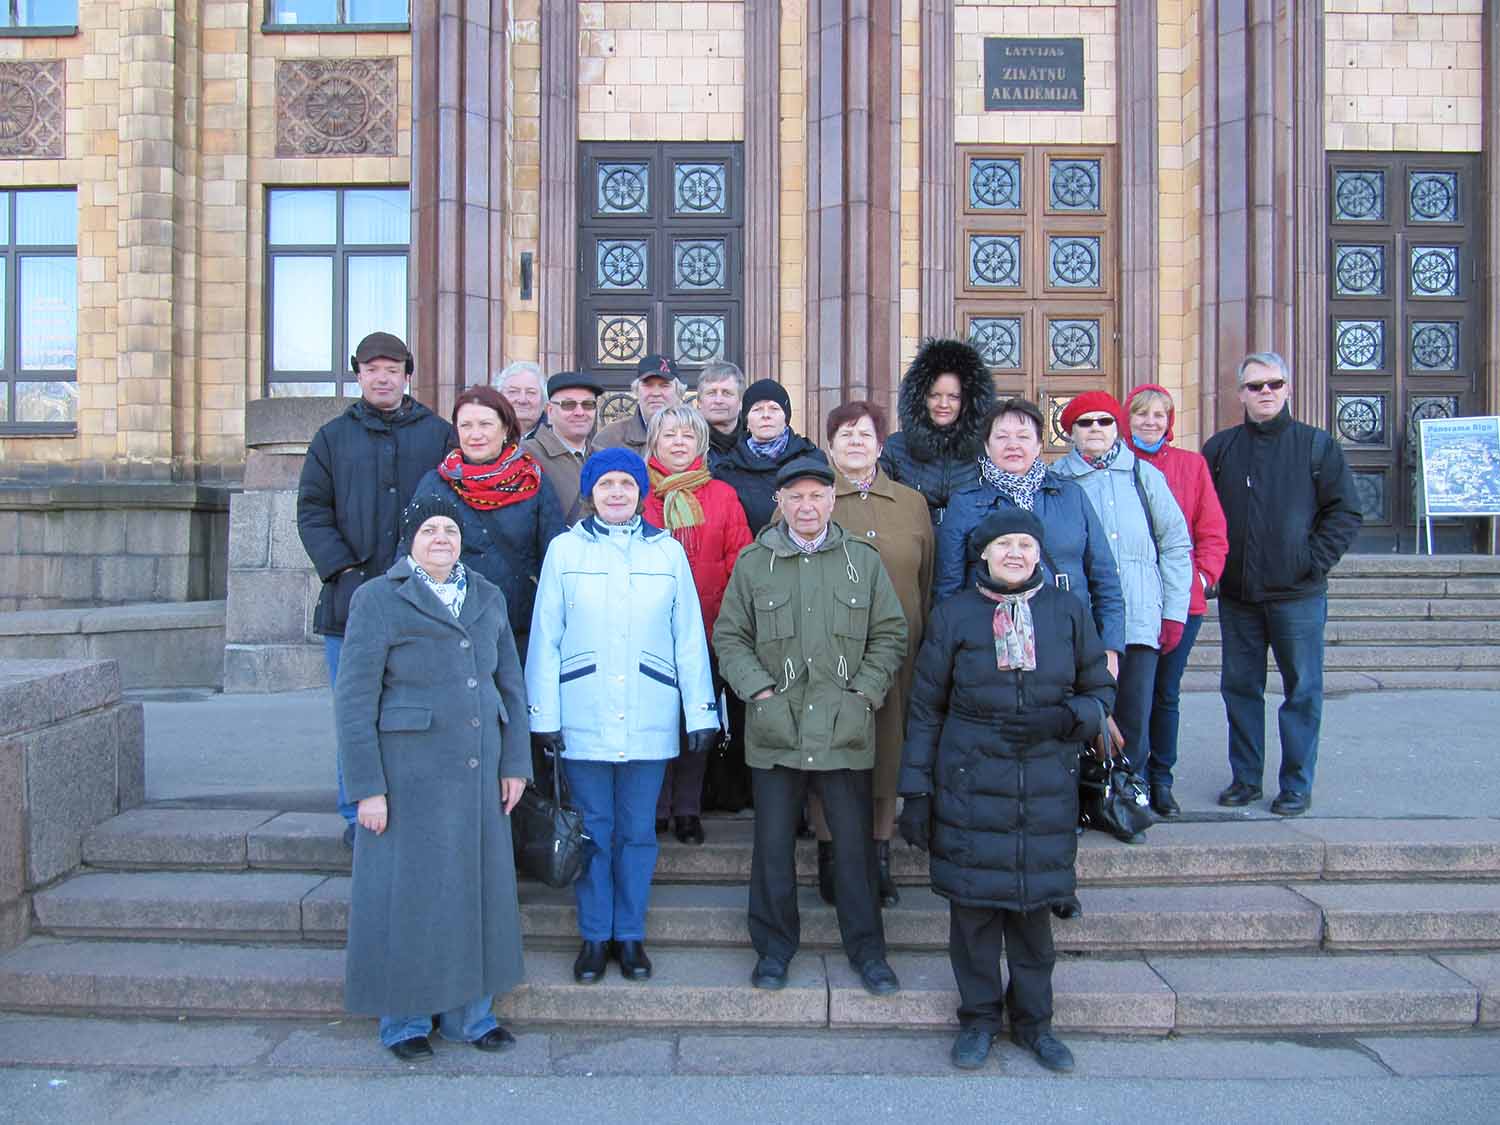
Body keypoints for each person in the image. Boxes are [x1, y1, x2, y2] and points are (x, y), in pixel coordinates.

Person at [899, 508, 1114, 1074]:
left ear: (1039, 552)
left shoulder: (1068, 611)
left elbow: (1100, 690)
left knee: (1032, 918)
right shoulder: (954, 615)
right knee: (972, 917)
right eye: (1003, 545)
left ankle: (1035, 1023)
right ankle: (978, 1019)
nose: (1015, 553)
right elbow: (926, 708)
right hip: (970, 782)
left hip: (1044, 784)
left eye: (1025, 544)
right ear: (984, 553)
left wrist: (1066, 718)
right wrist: (915, 790)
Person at [335, 494, 531, 1061]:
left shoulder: (487, 595)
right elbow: (354, 700)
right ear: (410, 541)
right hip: (408, 776)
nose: (441, 537)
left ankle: (473, 1016)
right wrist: (366, 788)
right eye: (429, 530)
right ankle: (406, 1020)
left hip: (479, 770)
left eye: (450, 528)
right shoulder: (378, 599)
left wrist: (516, 763)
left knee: (475, 893)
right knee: (411, 897)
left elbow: (510, 685)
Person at [713, 458, 907, 998]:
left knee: (854, 849)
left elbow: (890, 633)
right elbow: (730, 637)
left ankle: (868, 952)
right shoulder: (755, 562)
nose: (806, 507)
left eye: (816, 496)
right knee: (773, 847)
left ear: (831, 501)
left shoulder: (861, 560)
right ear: (780, 502)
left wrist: (863, 694)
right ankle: (774, 949)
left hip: (844, 728)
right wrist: (760, 692)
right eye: (795, 497)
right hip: (776, 727)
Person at [526, 448, 718, 984]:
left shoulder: (667, 552)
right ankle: (595, 936)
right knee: (593, 831)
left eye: (626, 484)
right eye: (605, 484)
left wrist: (701, 711)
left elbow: (688, 638)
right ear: (591, 492)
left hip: (647, 712)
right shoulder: (564, 550)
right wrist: (543, 714)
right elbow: (546, 637)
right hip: (583, 712)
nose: (616, 493)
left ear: (641, 493)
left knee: (636, 832)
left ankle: (629, 934)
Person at [297, 331, 455, 844]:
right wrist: (343, 572)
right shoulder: (331, 438)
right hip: (351, 599)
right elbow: (312, 511)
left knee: (420, 713)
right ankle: (356, 815)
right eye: (371, 370)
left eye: (391, 369)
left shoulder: (439, 435)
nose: (382, 378)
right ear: (358, 375)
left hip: (424, 599)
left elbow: (453, 509)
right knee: (356, 712)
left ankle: (414, 809)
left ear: (407, 375)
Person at [1203, 352, 1362, 817]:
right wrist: (1214, 570)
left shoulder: (1316, 446)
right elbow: (1201, 514)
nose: (1265, 392)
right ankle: (1246, 778)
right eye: (1255, 386)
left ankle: (1295, 784)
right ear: (1241, 394)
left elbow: (1345, 511)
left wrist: (1312, 562)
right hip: (1239, 597)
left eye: (1274, 383)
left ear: (1288, 388)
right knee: (1240, 690)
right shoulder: (1221, 449)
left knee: (1302, 691)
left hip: (1297, 596)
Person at [811, 400, 933, 910]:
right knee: (828, 747)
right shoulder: (810, 496)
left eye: (865, 434)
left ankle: (879, 855)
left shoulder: (911, 503)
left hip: (895, 651)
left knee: (887, 749)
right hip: (825, 653)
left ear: (881, 445)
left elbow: (926, 578)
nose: (856, 442)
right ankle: (830, 853)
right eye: (845, 434)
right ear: (830, 445)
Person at [1050, 392, 1192, 795]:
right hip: (1081, 623)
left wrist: (1174, 611)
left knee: (1134, 717)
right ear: (1071, 432)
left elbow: (1175, 545)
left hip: (1139, 618)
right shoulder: (1056, 480)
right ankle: (1085, 797)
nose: (1095, 429)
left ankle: (1131, 796)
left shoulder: (1144, 477)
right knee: (1080, 714)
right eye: (1085, 422)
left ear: (1117, 428)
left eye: (1104, 421)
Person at [935, 398, 1125, 676]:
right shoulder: (965, 503)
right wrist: (946, 652)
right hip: (988, 643)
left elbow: (1105, 578)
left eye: (1023, 437)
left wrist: (1109, 647)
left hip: (1068, 635)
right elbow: (948, 588)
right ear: (987, 446)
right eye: (1002, 437)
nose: (1013, 445)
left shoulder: (1070, 495)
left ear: (1038, 445)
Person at [642, 405, 753, 845]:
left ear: (701, 444)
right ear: (654, 442)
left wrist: (721, 621)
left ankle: (687, 809)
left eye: (688, 435)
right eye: (669, 434)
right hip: (648, 633)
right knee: (656, 720)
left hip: (707, 630)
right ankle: (656, 806)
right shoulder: (637, 494)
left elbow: (739, 560)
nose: (678, 443)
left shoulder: (722, 495)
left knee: (695, 719)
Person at [1124, 384, 1229, 817]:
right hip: (1131, 600)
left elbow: (1212, 530)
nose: (1150, 422)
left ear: (1169, 422)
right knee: (1131, 695)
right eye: (1141, 414)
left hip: (1179, 601)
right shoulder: (1117, 464)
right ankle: (1128, 778)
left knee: (1165, 693)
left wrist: (1201, 579)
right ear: (1128, 419)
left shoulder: (1191, 466)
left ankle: (1161, 779)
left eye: (1159, 415)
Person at [411, 385, 563, 663]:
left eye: (485, 424)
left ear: (505, 429)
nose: (475, 434)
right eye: (466, 425)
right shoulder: (436, 483)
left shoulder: (532, 481)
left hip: (517, 629)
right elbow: (410, 555)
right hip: (450, 630)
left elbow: (554, 556)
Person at [878, 337, 998, 527]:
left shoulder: (986, 449)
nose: (943, 404)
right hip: (912, 541)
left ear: (968, 400)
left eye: (953, 397)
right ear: (920, 398)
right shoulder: (896, 447)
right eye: (934, 395)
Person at [710, 378, 828, 533]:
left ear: (786, 418)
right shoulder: (727, 469)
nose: (766, 415)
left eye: (774, 408)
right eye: (757, 409)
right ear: (747, 420)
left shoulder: (812, 459)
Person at [525, 371, 603, 524]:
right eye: (568, 405)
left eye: (588, 405)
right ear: (550, 411)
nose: (580, 412)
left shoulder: (604, 457)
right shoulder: (527, 456)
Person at [591, 353, 684, 457]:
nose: (656, 393)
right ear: (636, 390)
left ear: (678, 392)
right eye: (648, 385)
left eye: (664, 385)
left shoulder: (693, 437)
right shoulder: (610, 438)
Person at [697, 360, 745, 462]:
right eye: (711, 393)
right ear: (699, 402)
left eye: (727, 393)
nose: (718, 401)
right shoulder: (687, 443)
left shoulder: (755, 442)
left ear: (740, 402)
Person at [494, 360, 546, 439]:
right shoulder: (487, 435)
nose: (522, 400)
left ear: (543, 399)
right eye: (513, 391)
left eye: (531, 392)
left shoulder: (558, 436)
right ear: (500, 397)